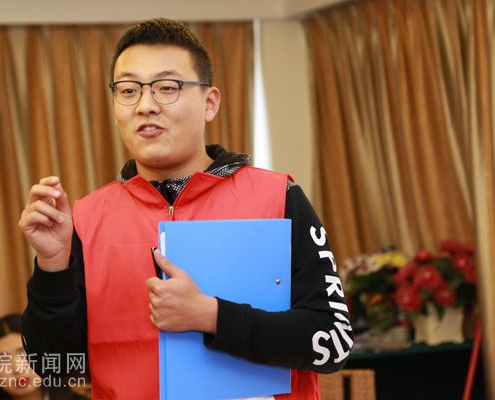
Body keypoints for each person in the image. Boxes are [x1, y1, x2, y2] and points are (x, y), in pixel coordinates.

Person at [19, 18, 353, 399]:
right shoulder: (87, 217)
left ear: (210, 103)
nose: (145, 106)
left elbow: (333, 341)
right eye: (128, 90)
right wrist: (53, 267)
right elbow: (55, 366)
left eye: (167, 88)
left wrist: (211, 316)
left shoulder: (278, 196)